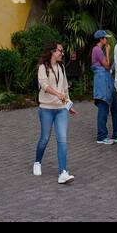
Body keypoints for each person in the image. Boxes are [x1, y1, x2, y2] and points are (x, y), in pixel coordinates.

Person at [34, 42, 75, 184]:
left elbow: (65, 89)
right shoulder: (42, 68)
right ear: (52, 51)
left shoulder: (62, 67)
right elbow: (44, 86)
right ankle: (38, 162)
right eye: (60, 51)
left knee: (62, 140)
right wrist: (58, 94)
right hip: (46, 108)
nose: (62, 53)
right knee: (44, 138)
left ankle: (63, 172)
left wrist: (68, 105)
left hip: (61, 110)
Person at [90, 30, 117, 145]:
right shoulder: (97, 50)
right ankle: (101, 136)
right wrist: (107, 52)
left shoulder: (96, 49)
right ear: (101, 39)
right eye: (105, 38)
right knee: (103, 108)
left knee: (115, 108)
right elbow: (107, 65)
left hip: (107, 82)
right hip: (103, 83)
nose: (107, 40)